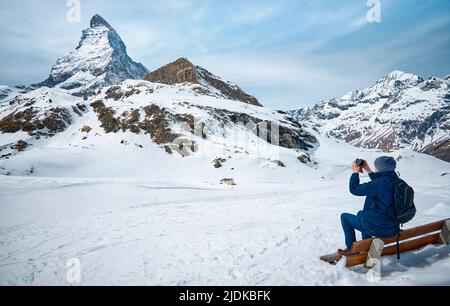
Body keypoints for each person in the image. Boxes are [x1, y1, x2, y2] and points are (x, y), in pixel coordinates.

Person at [338, 156, 400, 256]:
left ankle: (351, 250)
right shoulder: (395, 180)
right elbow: (381, 181)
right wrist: (368, 170)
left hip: (379, 227)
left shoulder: (378, 184)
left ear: (380, 168)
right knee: (360, 213)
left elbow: (354, 189)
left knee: (344, 217)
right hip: (392, 227)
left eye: (376, 166)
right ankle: (366, 246)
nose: (375, 168)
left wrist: (355, 172)